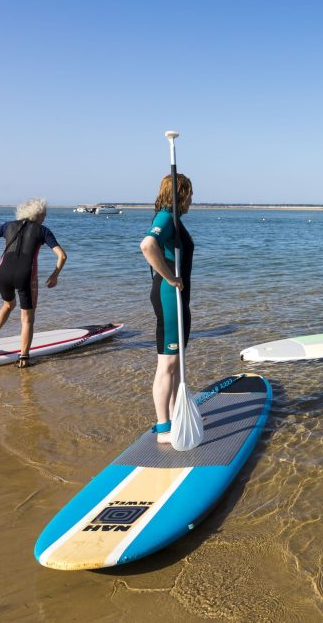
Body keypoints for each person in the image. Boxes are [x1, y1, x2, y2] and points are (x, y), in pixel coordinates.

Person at [0, 198, 67, 367]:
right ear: (38, 213)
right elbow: (62, 256)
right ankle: (24, 358)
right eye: (44, 214)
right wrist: (55, 275)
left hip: (2, 272)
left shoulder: (7, 226)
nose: (45, 217)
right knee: (27, 318)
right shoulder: (43, 231)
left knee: (7, 305)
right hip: (25, 275)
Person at [140, 173, 194, 444]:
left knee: (177, 363)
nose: (192, 199)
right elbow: (147, 245)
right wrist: (171, 279)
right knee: (167, 363)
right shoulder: (164, 217)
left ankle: (175, 416)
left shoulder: (173, 220)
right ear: (181, 193)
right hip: (167, 295)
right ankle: (163, 428)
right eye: (190, 194)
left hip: (177, 298)